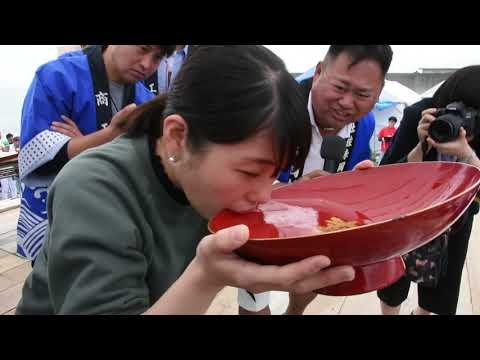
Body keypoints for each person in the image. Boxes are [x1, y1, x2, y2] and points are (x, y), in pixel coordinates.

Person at [15, 45, 356, 315]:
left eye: (273, 174)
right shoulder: (93, 188)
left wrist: (323, 207)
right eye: (251, 172)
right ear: (177, 136)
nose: (264, 196)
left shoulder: (202, 179)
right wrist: (206, 277)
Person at [238, 45, 393, 315]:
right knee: (254, 303)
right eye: (340, 87)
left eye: (362, 94)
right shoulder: (274, 107)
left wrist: (356, 184)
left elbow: (352, 175)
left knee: (314, 278)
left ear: (378, 93)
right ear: (319, 72)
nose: (346, 102)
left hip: (316, 230)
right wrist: (292, 192)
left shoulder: (366, 124)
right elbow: (239, 182)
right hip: (258, 219)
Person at [16, 45, 175, 262]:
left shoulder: (145, 99)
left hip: (117, 218)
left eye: (157, 58)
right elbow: (39, 155)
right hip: (59, 214)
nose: (147, 64)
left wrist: (81, 142)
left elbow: (143, 166)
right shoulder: (57, 76)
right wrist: (109, 135)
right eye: (143, 49)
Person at [377, 65, 480, 315]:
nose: (462, 119)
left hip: (455, 216)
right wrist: (420, 147)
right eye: (455, 109)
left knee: (443, 288)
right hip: (406, 213)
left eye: (472, 113)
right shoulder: (418, 115)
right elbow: (386, 174)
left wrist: (468, 155)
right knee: (393, 279)